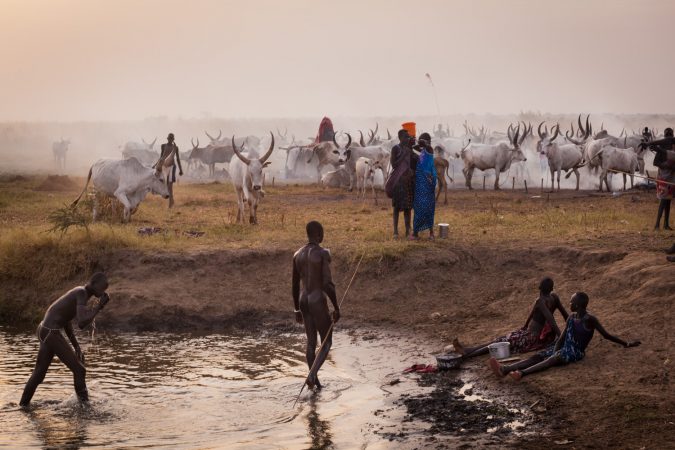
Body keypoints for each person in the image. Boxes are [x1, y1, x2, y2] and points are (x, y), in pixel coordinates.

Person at [488, 292, 641, 381]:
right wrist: (554, 348)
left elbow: (606, 335)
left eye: (572, 302)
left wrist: (625, 343)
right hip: (564, 347)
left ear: (578, 305)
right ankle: (506, 369)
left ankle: (522, 373)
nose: (569, 303)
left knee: (552, 359)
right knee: (538, 356)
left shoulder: (590, 320)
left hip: (575, 352)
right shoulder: (571, 318)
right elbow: (561, 339)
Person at [20, 273, 111, 407]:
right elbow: (81, 323)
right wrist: (99, 307)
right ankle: (85, 409)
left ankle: (23, 406)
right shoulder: (81, 293)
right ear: (93, 283)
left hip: (44, 329)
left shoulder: (80, 293)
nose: (104, 291)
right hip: (50, 332)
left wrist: (76, 346)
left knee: (39, 374)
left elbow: (66, 321)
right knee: (80, 370)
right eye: (102, 287)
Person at [452, 277, 568, 359]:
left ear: (539, 288)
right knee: (501, 339)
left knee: (500, 342)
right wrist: (525, 326)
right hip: (535, 335)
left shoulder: (541, 301)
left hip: (533, 338)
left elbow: (551, 320)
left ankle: (468, 354)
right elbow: (564, 315)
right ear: (552, 289)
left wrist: (560, 337)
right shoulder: (554, 298)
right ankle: (469, 350)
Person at [292, 221, 340, 390]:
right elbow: (327, 284)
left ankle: (316, 384)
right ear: (319, 234)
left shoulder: (297, 255)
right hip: (317, 300)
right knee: (326, 343)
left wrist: (297, 309)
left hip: (303, 300)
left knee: (311, 343)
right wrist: (336, 307)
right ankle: (312, 375)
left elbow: (295, 286)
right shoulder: (323, 253)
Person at [641, 127, 675, 230]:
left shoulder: (672, 147)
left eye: (670, 134)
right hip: (663, 178)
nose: (669, 137)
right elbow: (655, 163)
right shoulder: (661, 148)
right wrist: (667, 166)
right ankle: (657, 224)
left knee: (668, 201)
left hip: (672, 178)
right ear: (665, 136)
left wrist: (649, 144)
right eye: (667, 134)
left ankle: (665, 224)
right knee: (663, 201)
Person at [386, 129, 418, 238]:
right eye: (405, 137)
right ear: (400, 138)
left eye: (408, 137)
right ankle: (395, 232)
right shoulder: (396, 148)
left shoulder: (409, 149)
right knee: (396, 208)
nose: (407, 139)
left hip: (408, 182)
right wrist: (404, 154)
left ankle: (407, 230)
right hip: (398, 182)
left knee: (408, 208)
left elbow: (416, 160)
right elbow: (394, 165)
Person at [412, 132, 438, 240]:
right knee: (418, 207)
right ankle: (415, 233)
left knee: (429, 207)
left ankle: (431, 233)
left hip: (428, 182)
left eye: (425, 141)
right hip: (419, 183)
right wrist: (417, 142)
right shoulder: (418, 150)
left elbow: (426, 150)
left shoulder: (429, 149)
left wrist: (425, 143)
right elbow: (413, 148)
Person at [154, 133, 183, 208]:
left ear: (173, 140)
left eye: (171, 139)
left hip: (172, 167)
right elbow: (161, 157)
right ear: (167, 139)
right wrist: (155, 165)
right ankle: (172, 200)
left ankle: (170, 203)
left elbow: (178, 159)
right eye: (169, 139)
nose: (170, 140)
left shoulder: (175, 147)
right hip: (164, 167)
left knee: (170, 186)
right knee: (165, 185)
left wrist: (180, 169)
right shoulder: (163, 146)